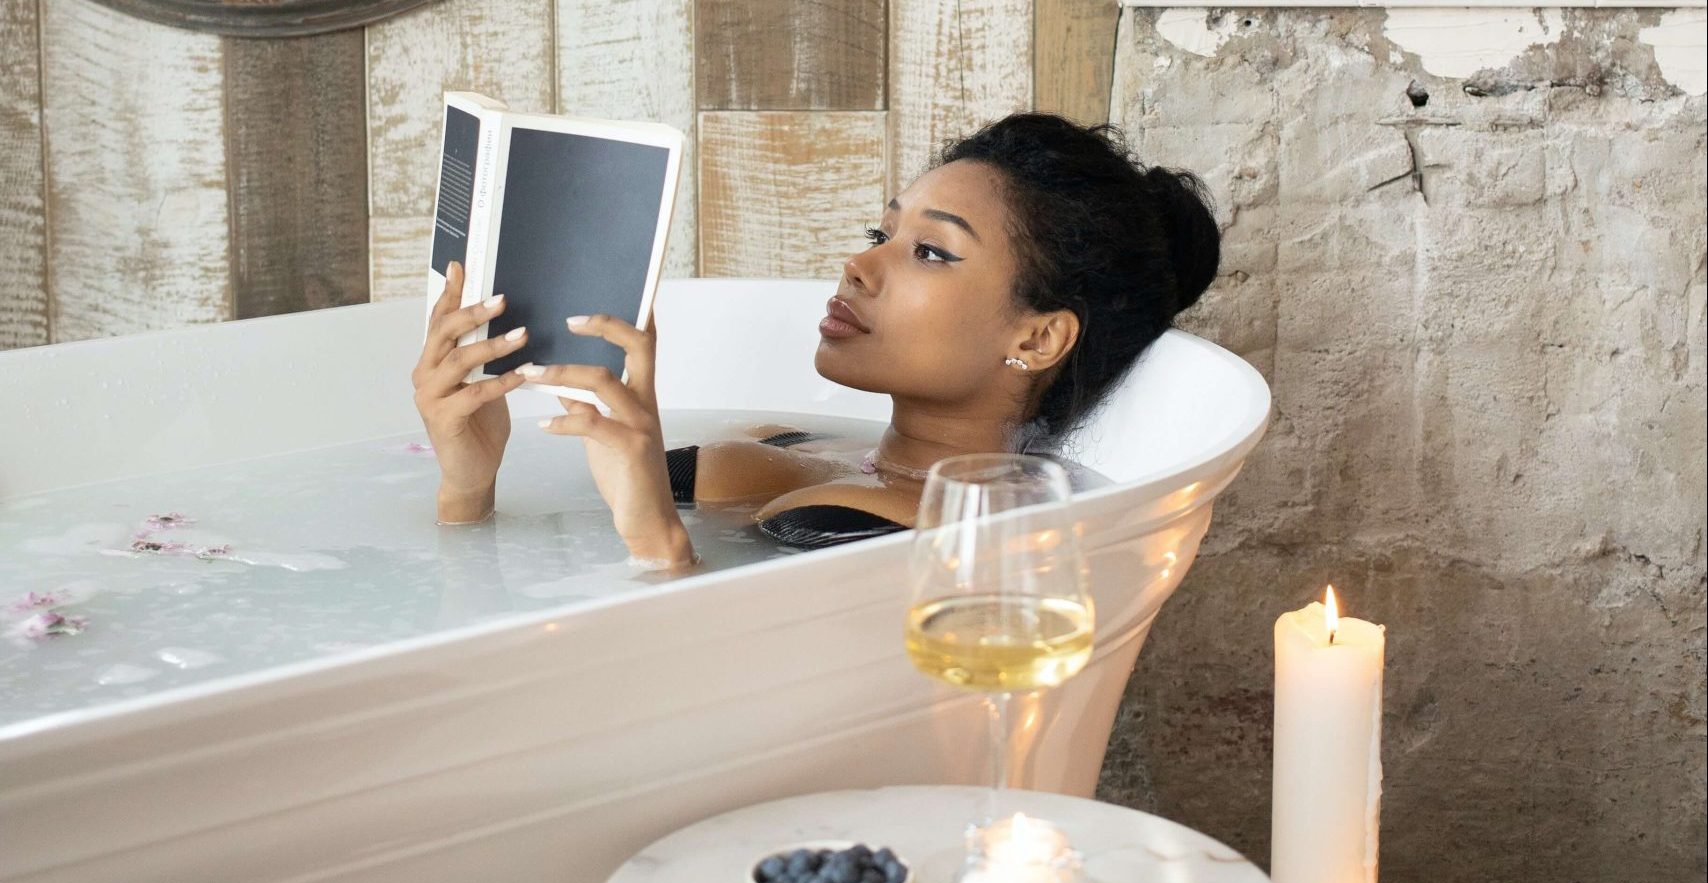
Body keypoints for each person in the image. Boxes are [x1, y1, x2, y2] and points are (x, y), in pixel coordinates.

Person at [411, 112, 1220, 569]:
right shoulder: (797, 443)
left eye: (931, 252)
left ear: (1039, 338)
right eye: (881, 233)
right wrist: (467, 485)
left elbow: (734, 706)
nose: (859, 265)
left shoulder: (953, 546)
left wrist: (659, 541)